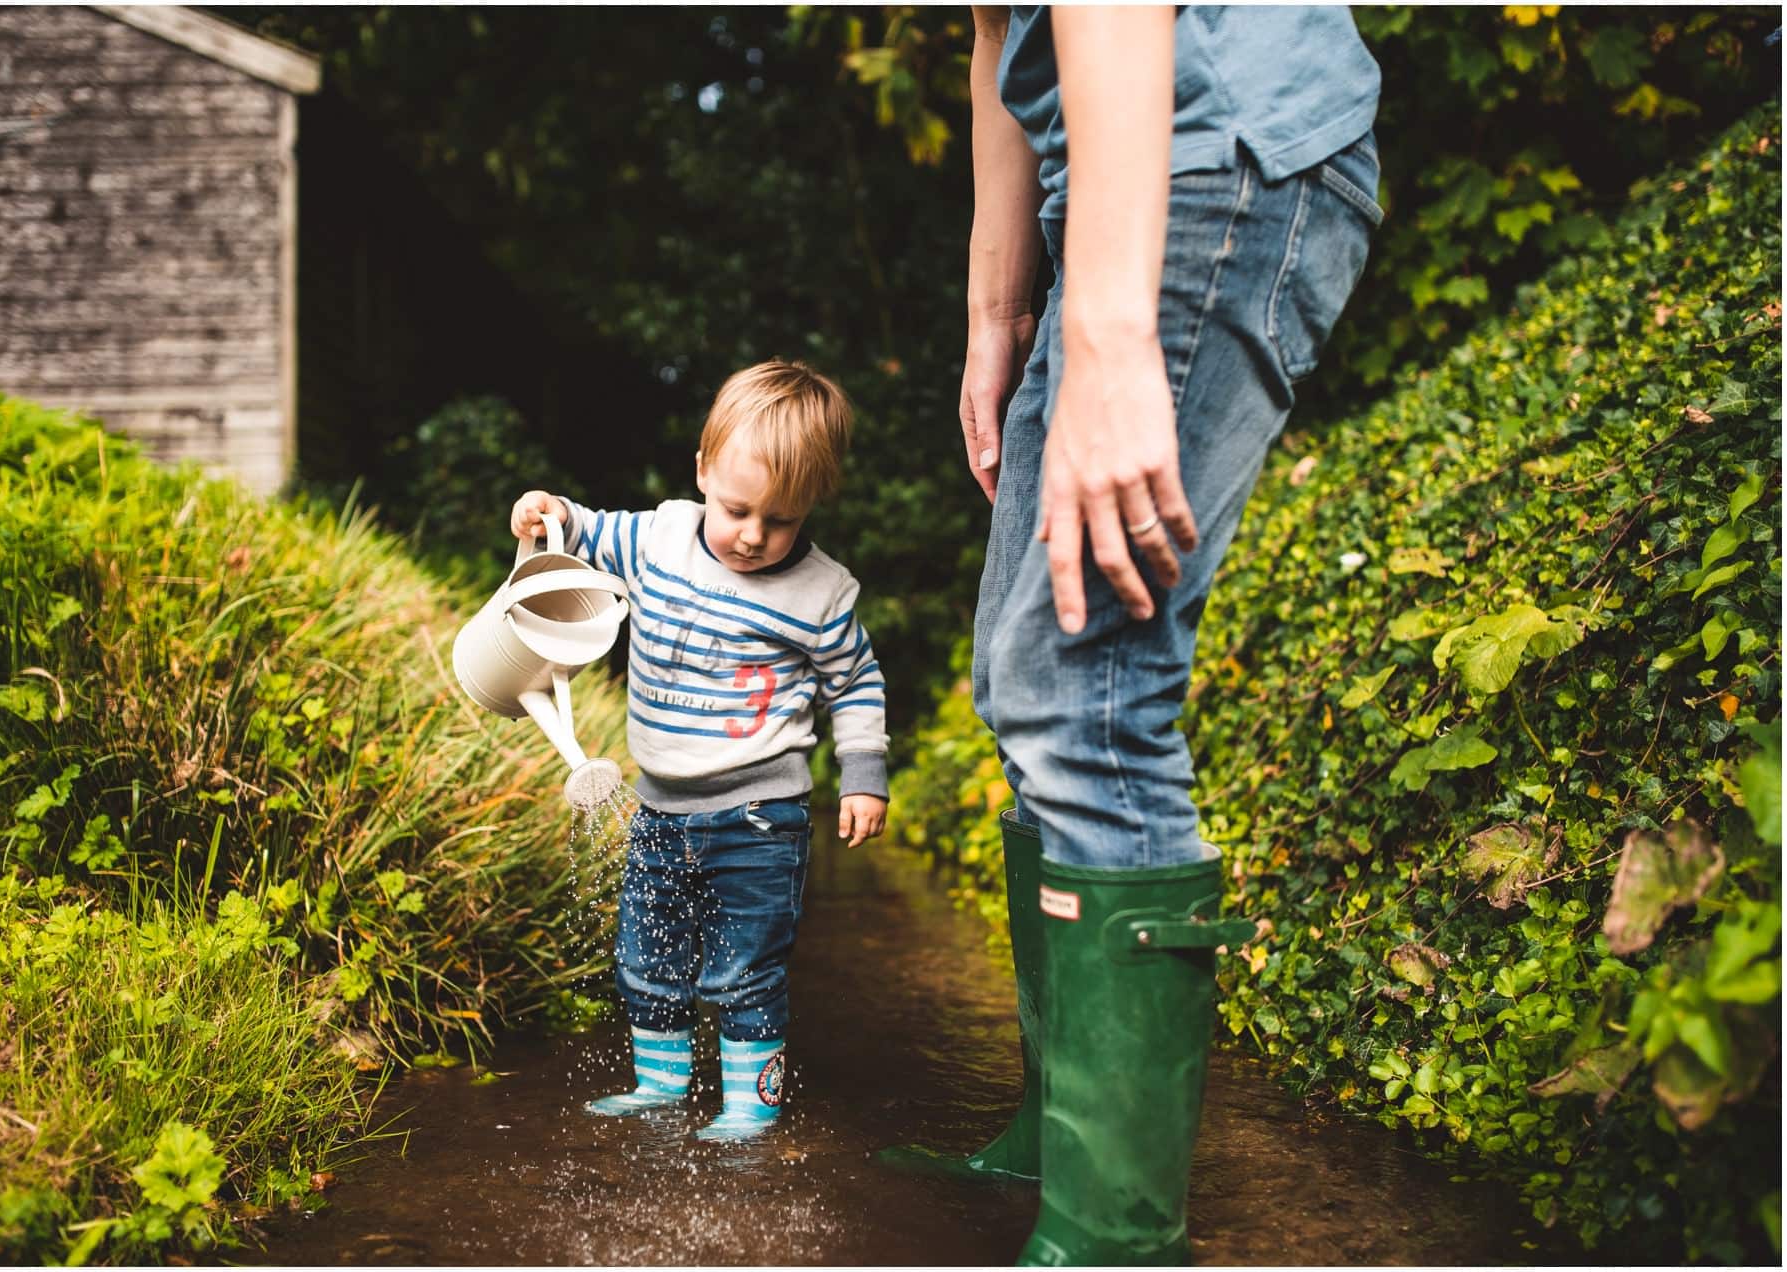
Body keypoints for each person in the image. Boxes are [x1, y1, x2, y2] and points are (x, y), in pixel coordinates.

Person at [884, 6, 1383, 1265]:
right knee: (1022, 675)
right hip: (1123, 180)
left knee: (1085, 695)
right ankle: (1063, 1148)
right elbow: (1000, 24)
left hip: (1216, 159)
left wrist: (1104, 339)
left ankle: (1114, 1237)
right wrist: (995, 311)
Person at [509, 360, 889, 1142]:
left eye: (780, 521)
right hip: (659, 805)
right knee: (647, 958)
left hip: (760, 817)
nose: (753, 536)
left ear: (815, 502)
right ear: (703, 473)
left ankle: (752, 1100)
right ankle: (661, 1081)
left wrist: (864, 777)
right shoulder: (663, 536)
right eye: (738, 509)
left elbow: (855, 683)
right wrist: (545, 514)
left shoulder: (820, 594)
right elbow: (582, 530)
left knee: (744, 967)